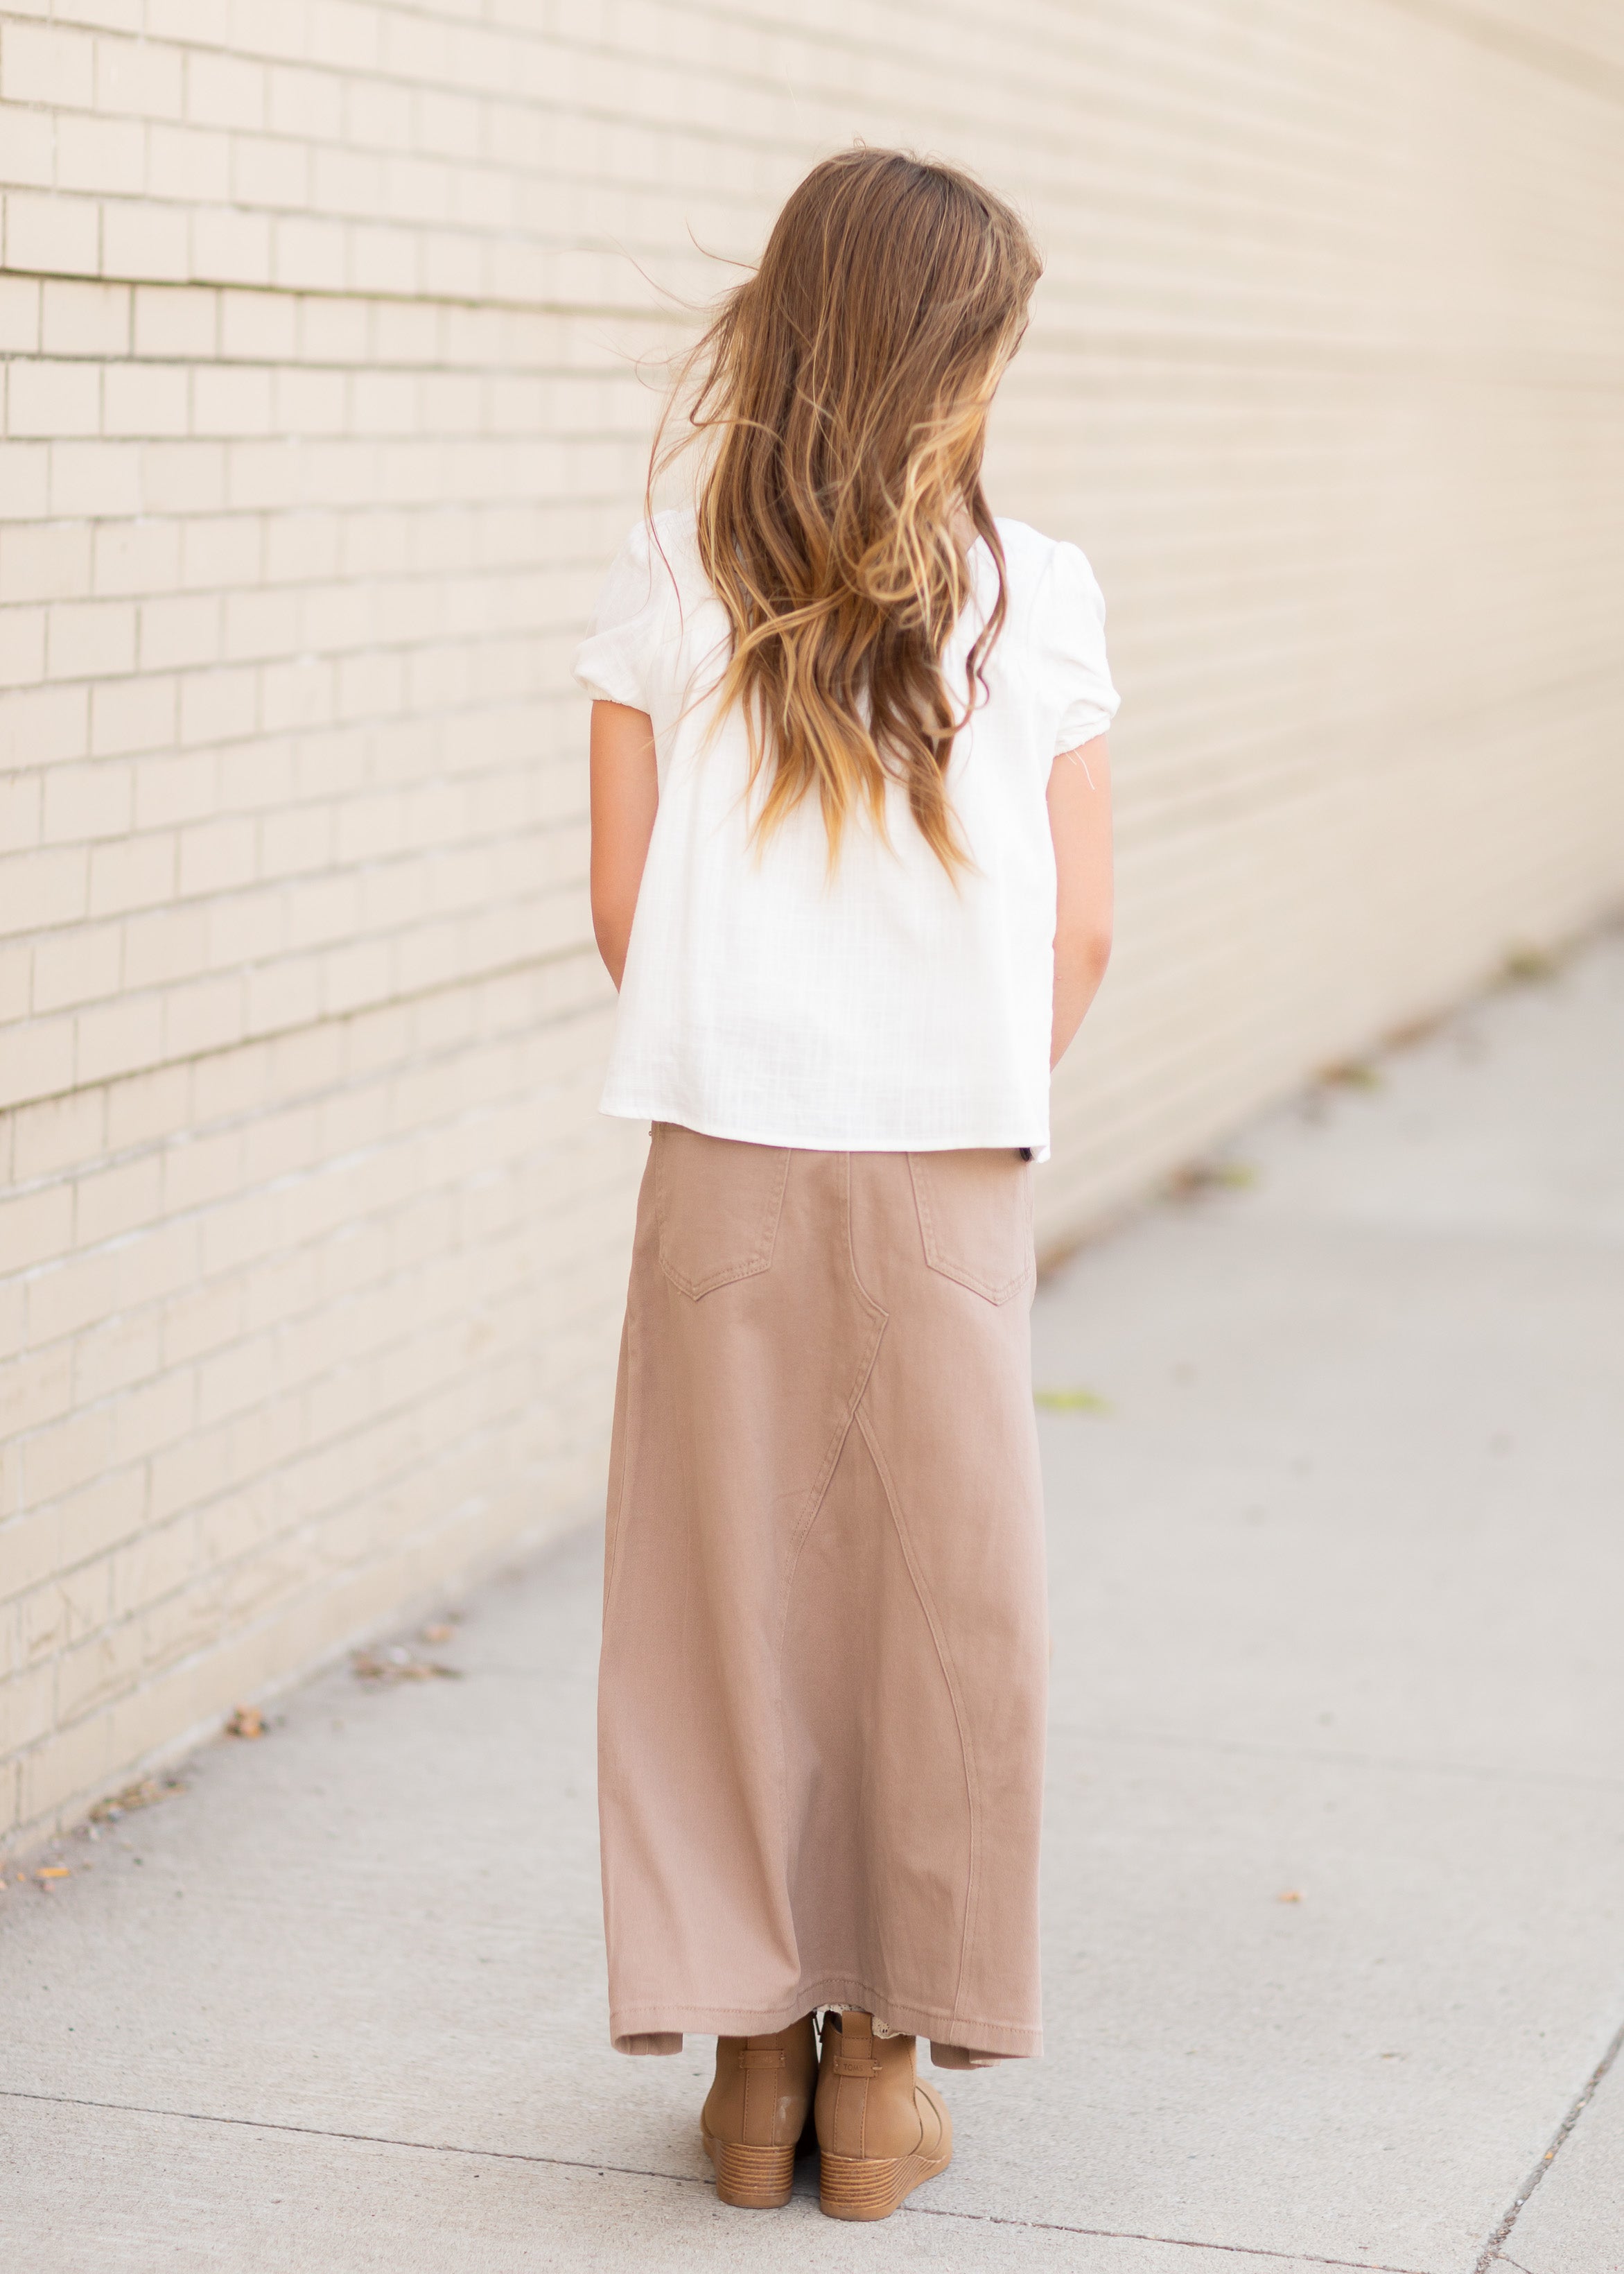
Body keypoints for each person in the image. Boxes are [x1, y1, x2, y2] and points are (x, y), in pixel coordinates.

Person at [573, 146, 1118, 2223]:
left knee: (717, 1594)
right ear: (952, 357)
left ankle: (744, 2070)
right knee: (945, 1602)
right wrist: (955, 1065)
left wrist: (757, 1042)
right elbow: (1077, 932)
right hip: (949, 1153)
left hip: (723, 1145)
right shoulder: (1036, 590)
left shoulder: (667, 570)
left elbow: (626, 902)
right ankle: (880, 2073)